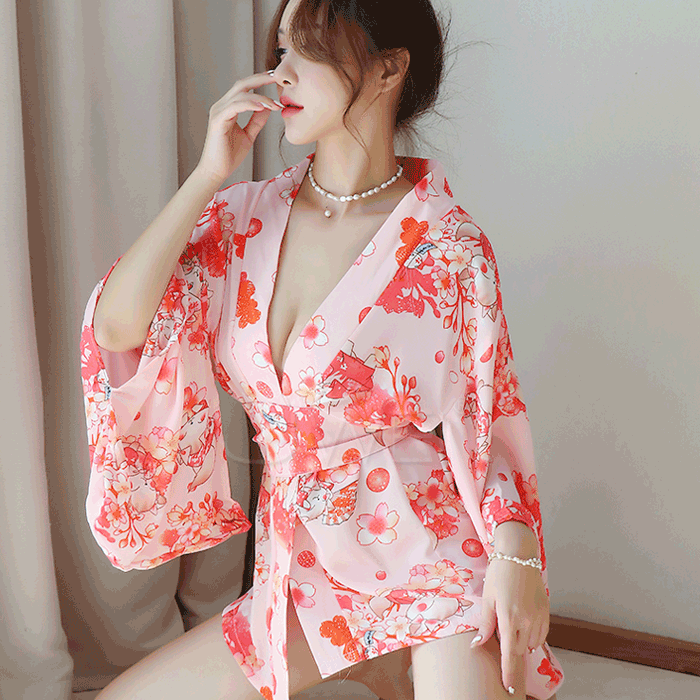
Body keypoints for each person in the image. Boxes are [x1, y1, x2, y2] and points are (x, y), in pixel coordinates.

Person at [80, 0, 565, 698]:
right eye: (281, 51)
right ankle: (374, 662)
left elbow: (491, 424)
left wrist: (517, 560)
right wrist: (208, 173)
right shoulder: (242, 220)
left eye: (308, 51)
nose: (282, 74)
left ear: (388, 69)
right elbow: (118, 330)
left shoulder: (448, 247)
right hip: (298, 577)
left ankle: (420, 659)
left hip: (430, 564)